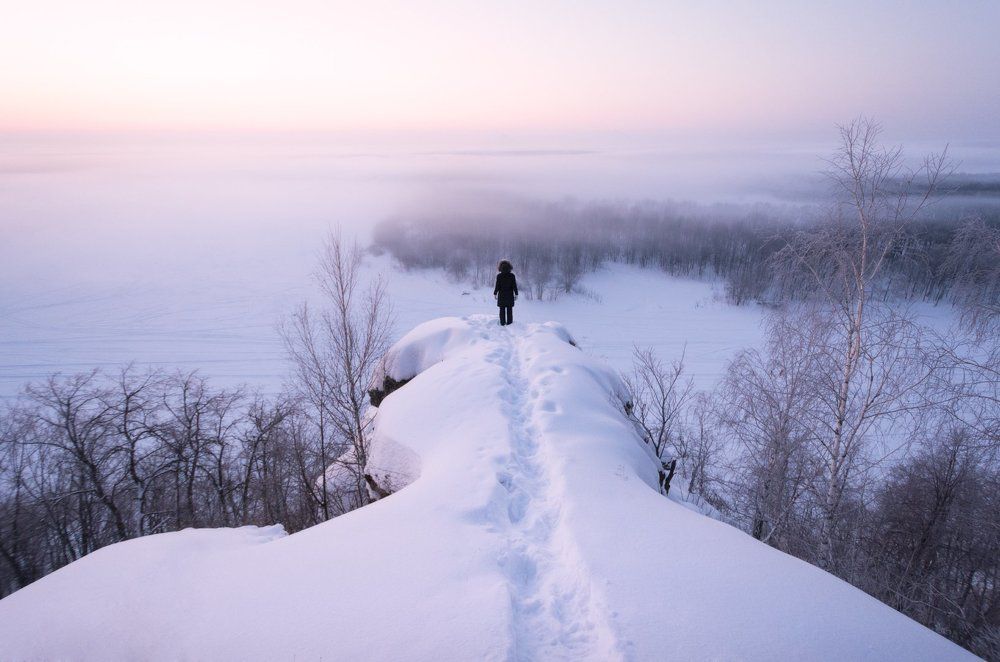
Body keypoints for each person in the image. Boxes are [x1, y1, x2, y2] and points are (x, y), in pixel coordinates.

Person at [493, 259, 518, 326]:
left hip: (501, 296)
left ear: (500, 267)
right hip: (509, 295)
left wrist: (495, 293)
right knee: (509, 311)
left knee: (502, 310)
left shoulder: (499, 276)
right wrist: (516, 294)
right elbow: (514, 286)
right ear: (509, 267)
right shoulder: (512, 276)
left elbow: (497, 286)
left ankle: (502, 323)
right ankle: (510, 324)